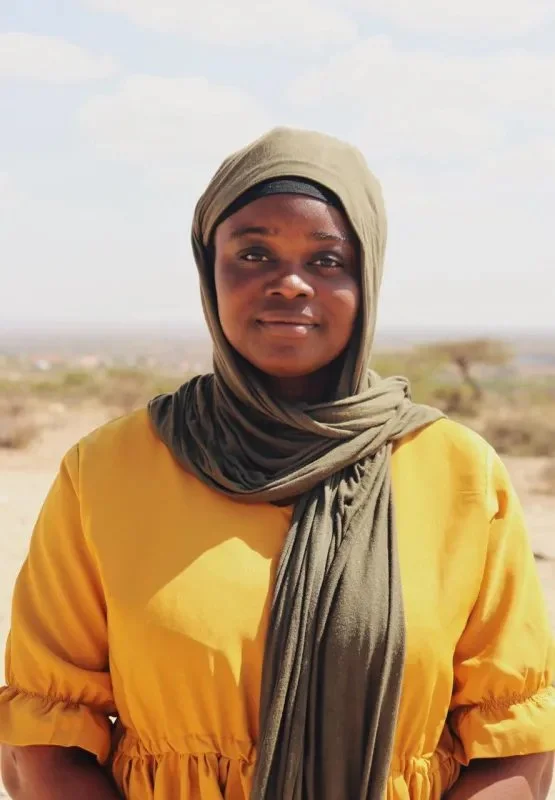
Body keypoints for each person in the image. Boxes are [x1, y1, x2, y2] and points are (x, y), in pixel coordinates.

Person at [0, 127, 554, 800]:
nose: (289, 284)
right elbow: (44, 739)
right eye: (254, 253)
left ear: (366, 276)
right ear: (210, 269)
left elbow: (515, 746)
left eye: (326, 259)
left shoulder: (458, 473)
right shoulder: (108, 472)